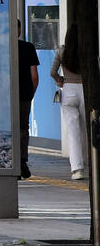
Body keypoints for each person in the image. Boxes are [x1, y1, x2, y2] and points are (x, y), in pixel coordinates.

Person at [51, 25, 87, 180]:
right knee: (87, 130)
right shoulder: (87, 51)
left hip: (68, 91)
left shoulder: (62, 51)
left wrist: (60, 81)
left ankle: (77, 169)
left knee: (72, 132)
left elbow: (52, 72)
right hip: (86, 91)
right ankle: (90, 161)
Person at [16, 20, 39, 179]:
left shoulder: (2, 49)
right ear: (18, 29)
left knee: (10, 129)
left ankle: (11, 164)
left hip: (6, 97)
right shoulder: (28, 47)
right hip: (24, 95)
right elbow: (34, 77)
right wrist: (31, 94)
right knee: (24, 128)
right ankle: (22, 160)